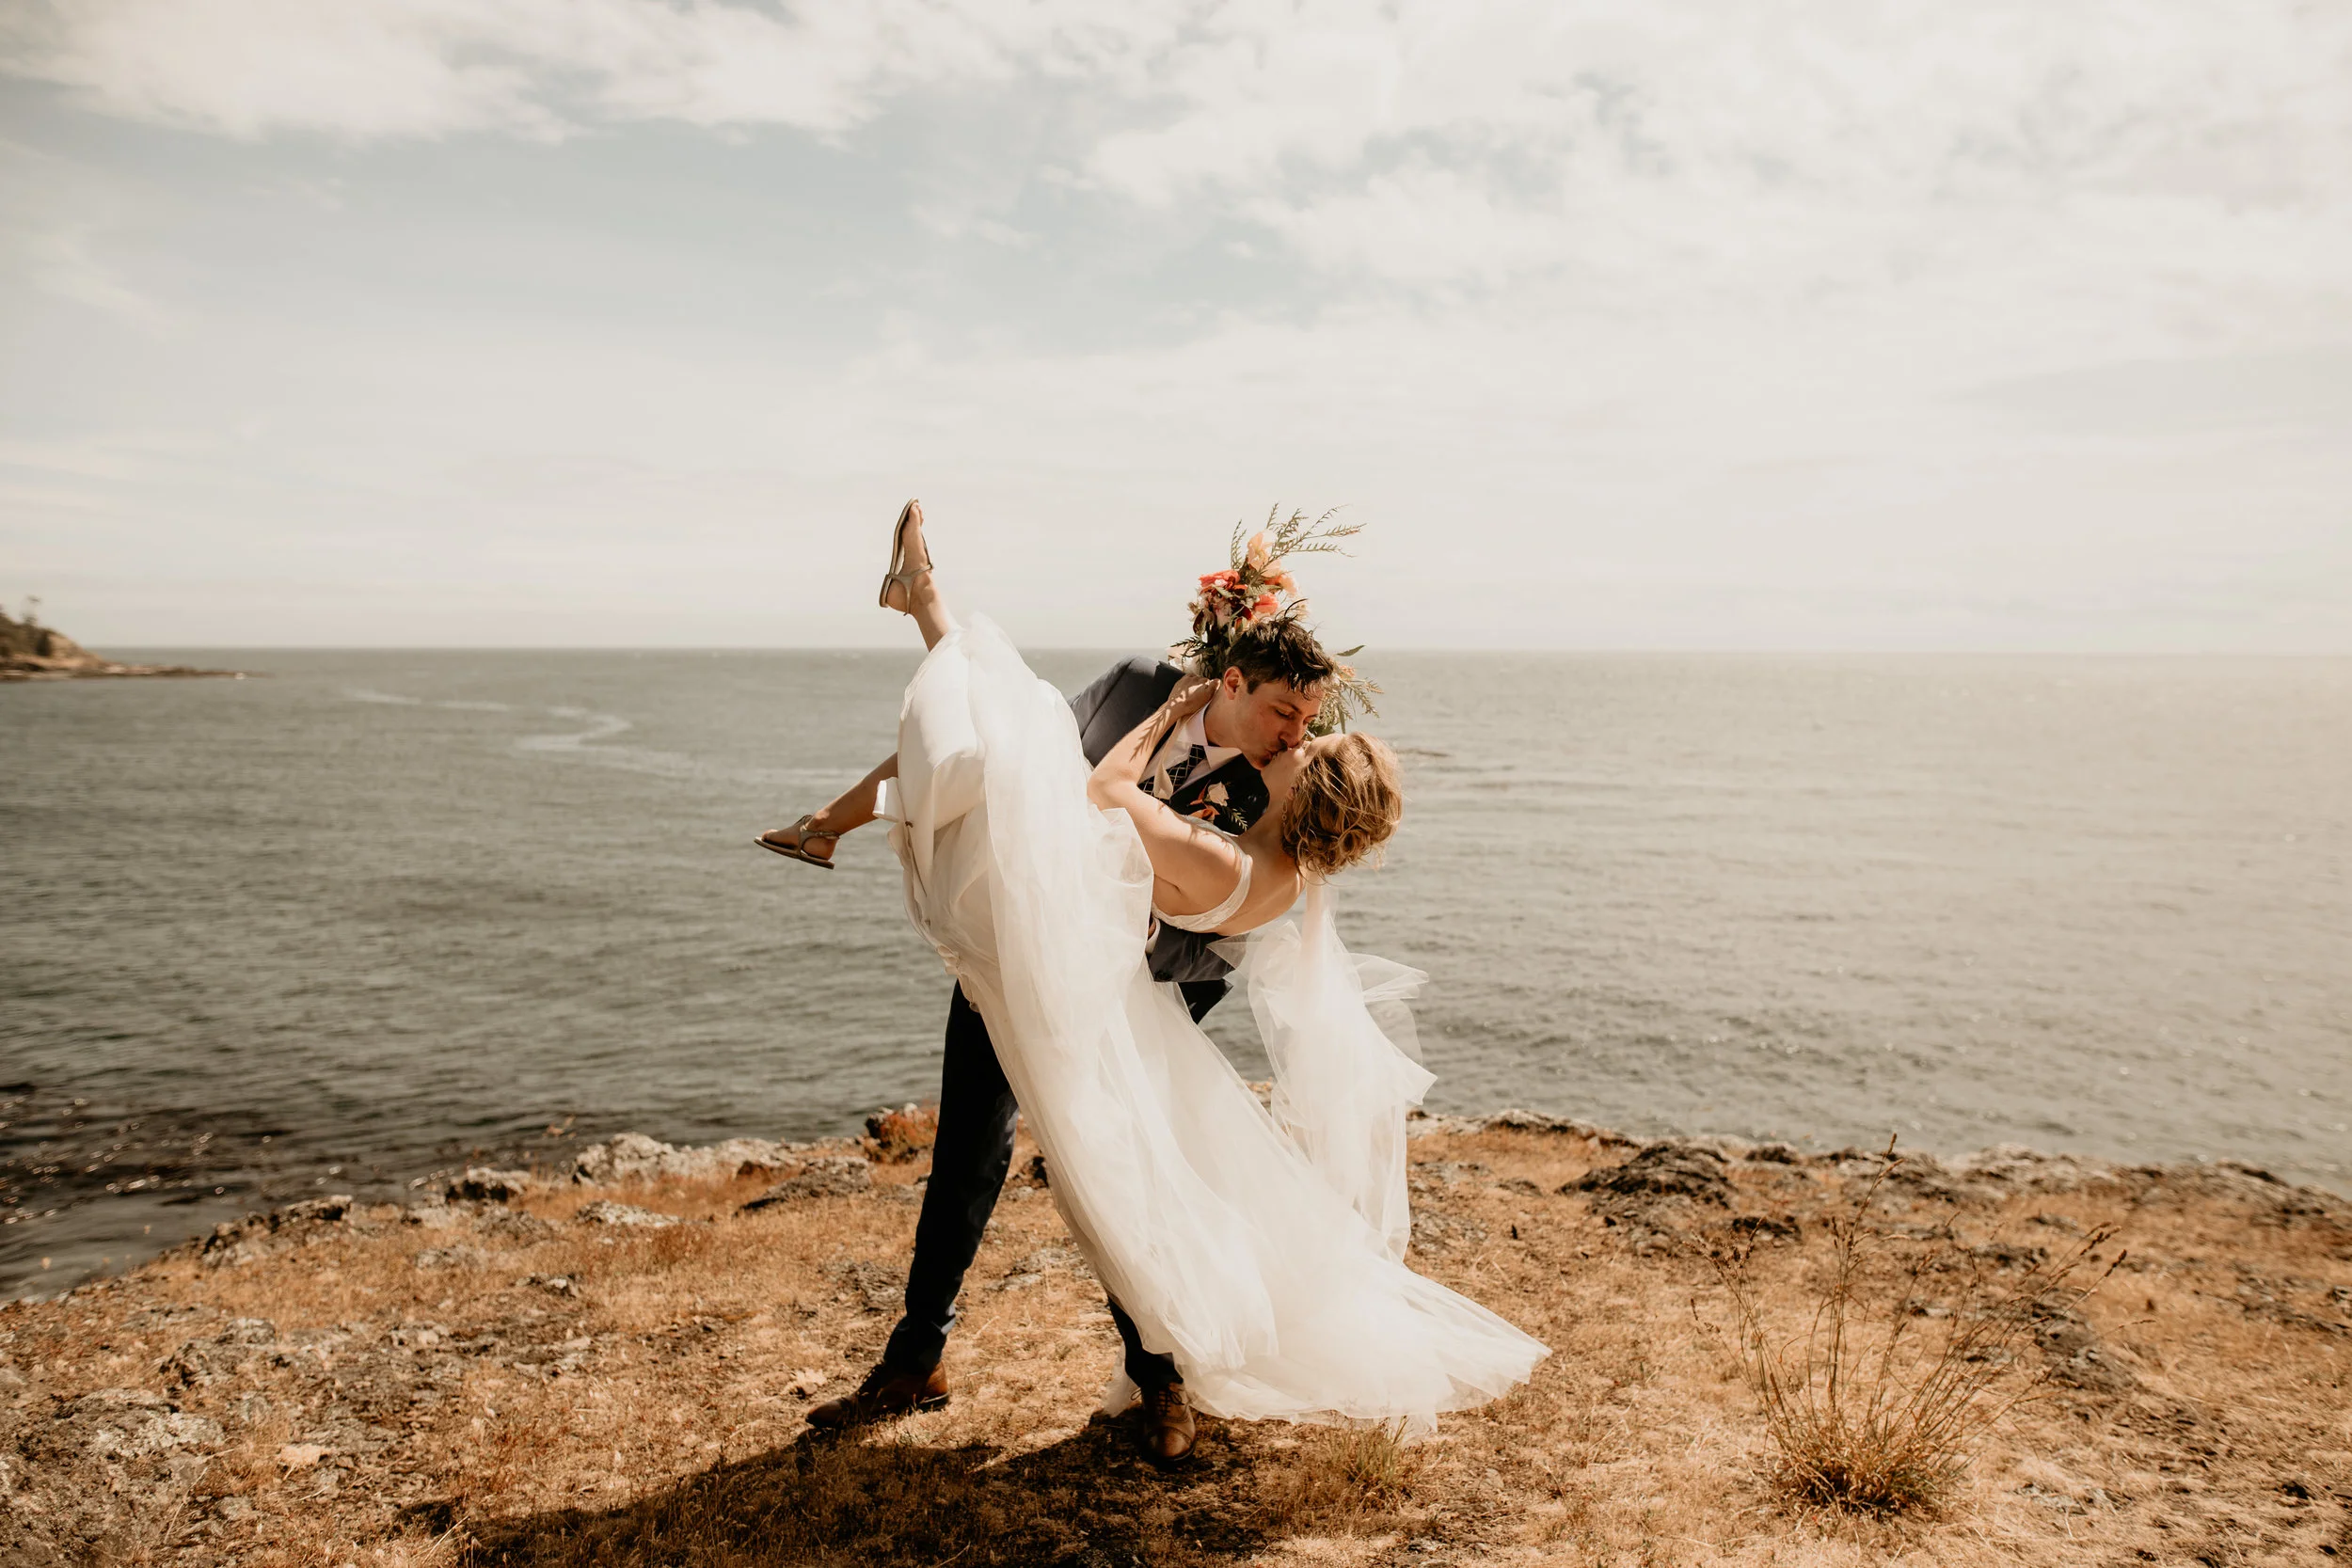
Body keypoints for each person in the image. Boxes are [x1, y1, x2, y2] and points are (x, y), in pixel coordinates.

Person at [759, 501, 1545, 1463]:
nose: (1296, 731)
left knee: (1122, 1172)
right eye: (1284, 711)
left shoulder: (1279, 796)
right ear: (1233, 679)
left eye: (1308, 720)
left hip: (1144, 993)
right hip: (1019, 942)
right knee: (969, 1147)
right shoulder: (1137, 689)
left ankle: (1161, 1378)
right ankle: (914, 1355)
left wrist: (1129, 948)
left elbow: (1209, 929)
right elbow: (1025, 771)